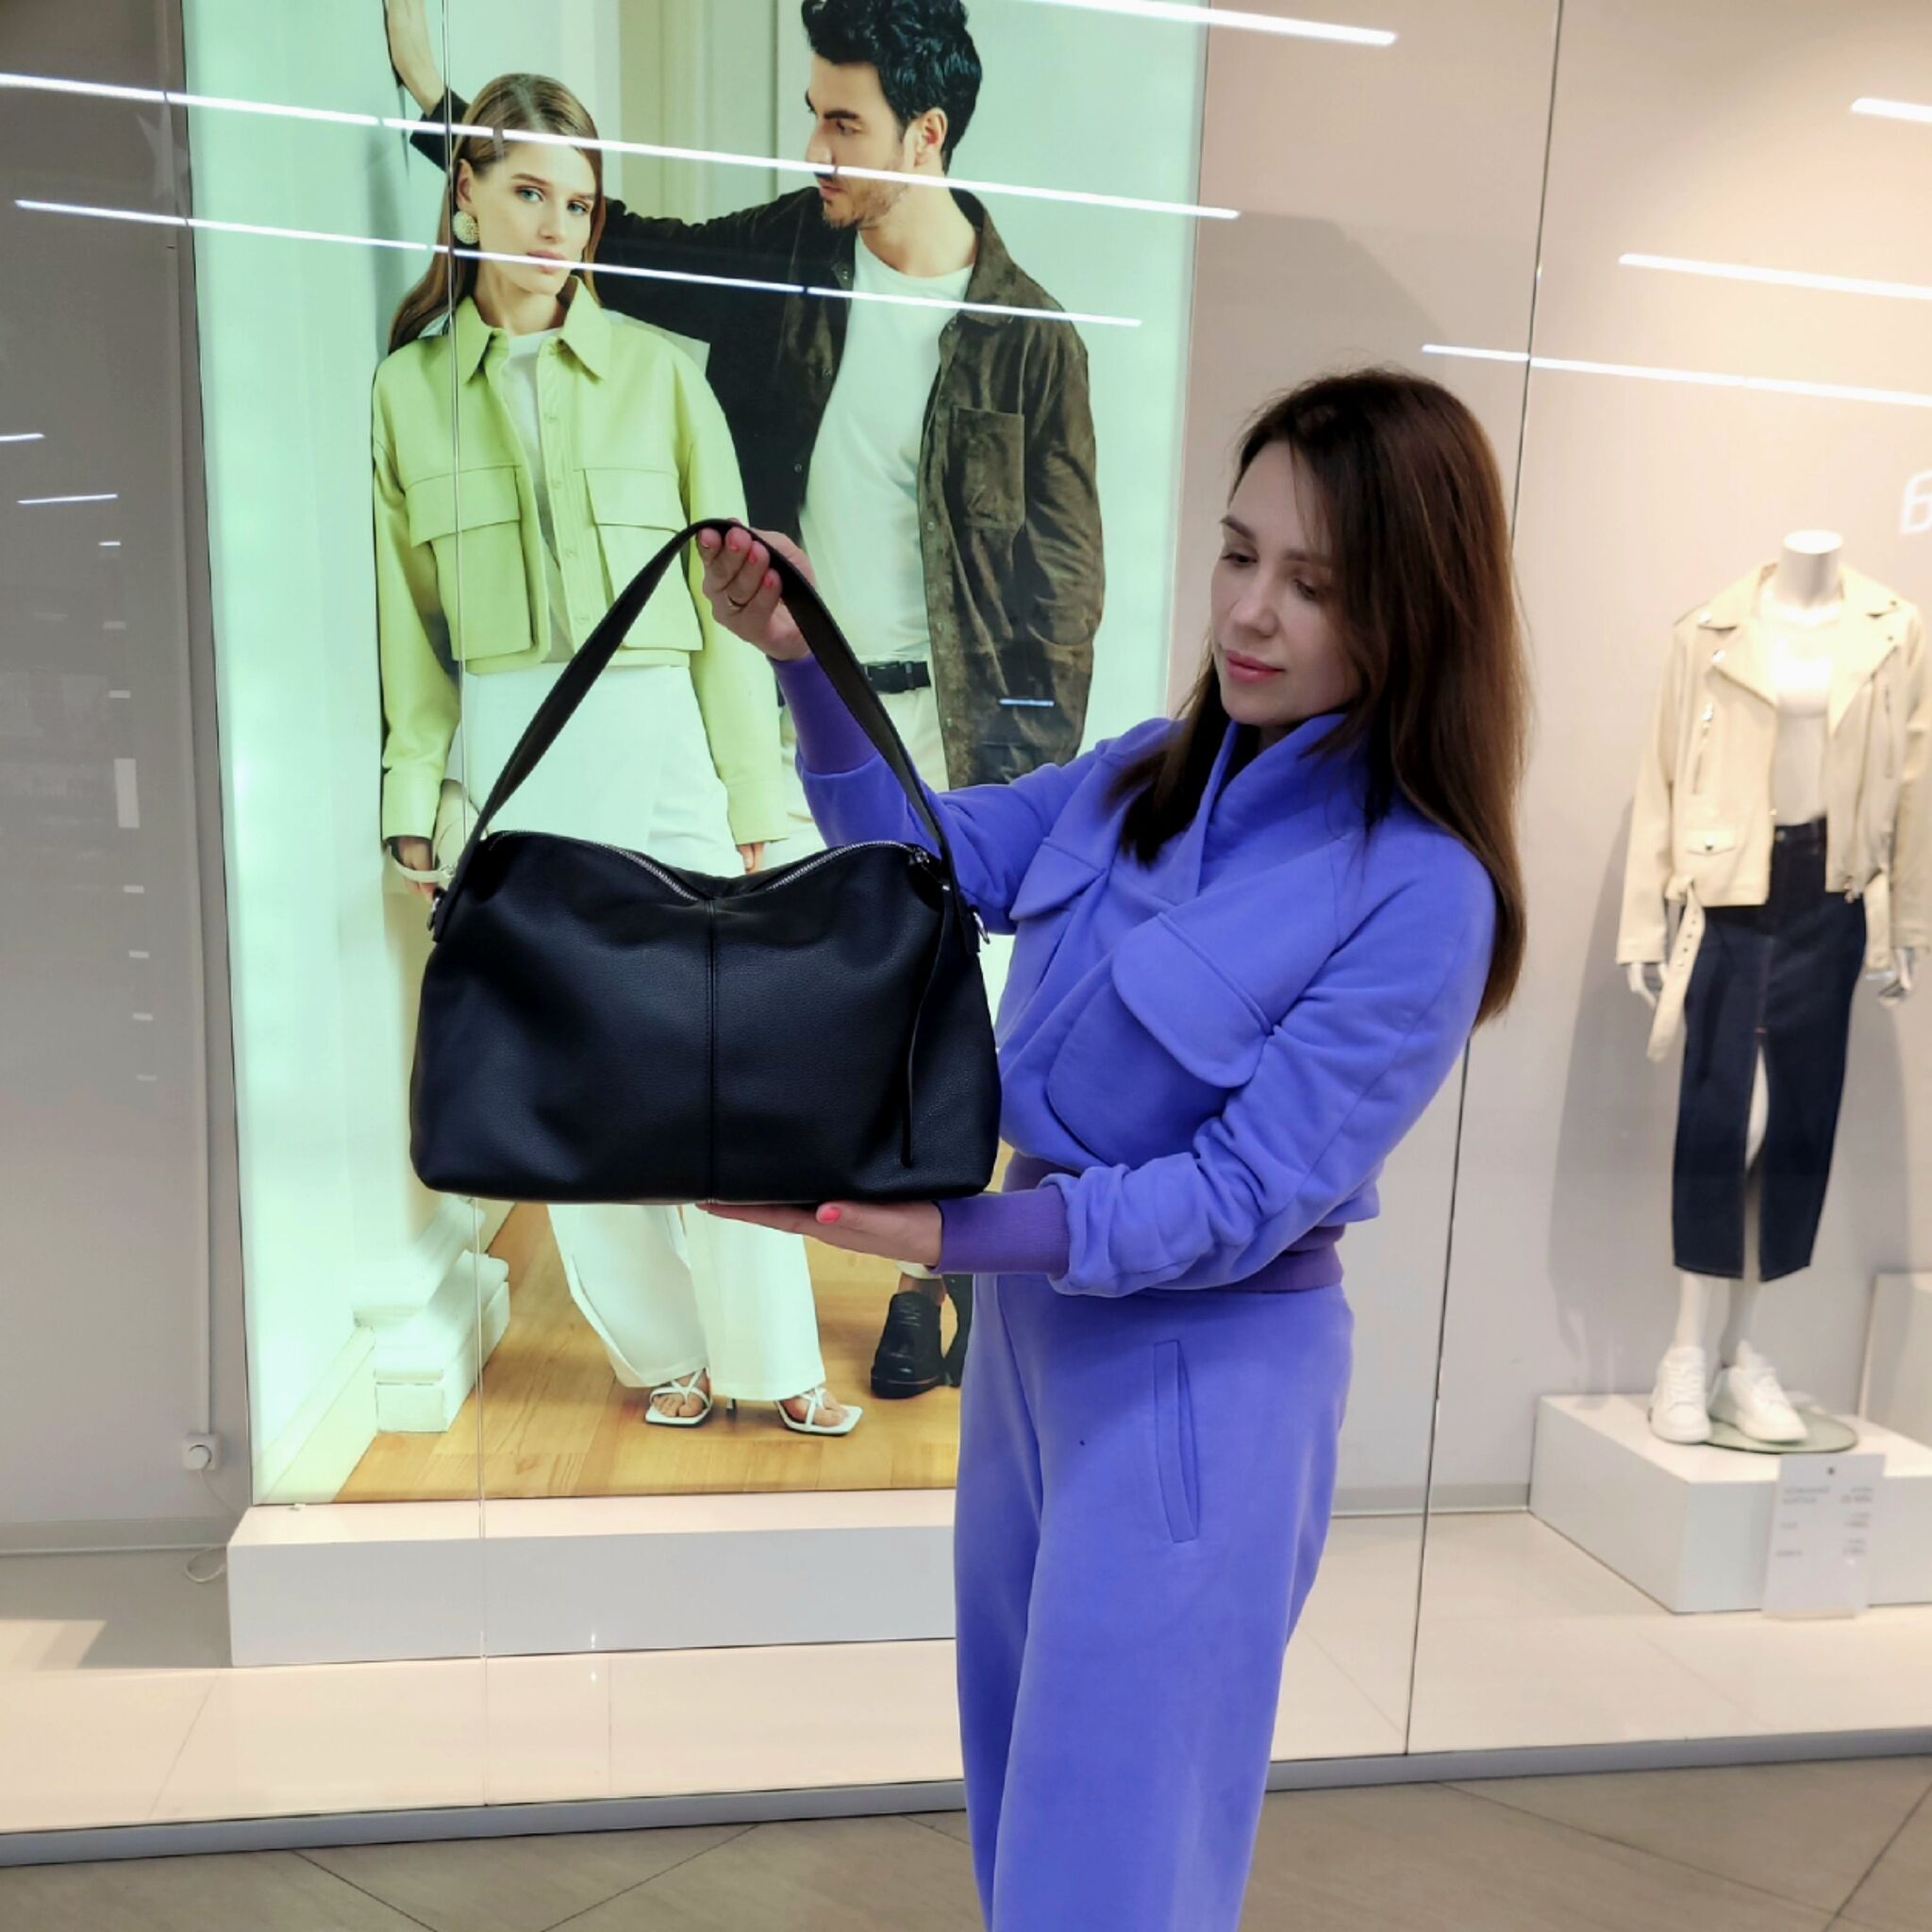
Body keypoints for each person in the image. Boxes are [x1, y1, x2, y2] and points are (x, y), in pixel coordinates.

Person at [694, 368, 1529, 1931]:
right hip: (1036, 1348)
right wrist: (809, 667)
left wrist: (949, 1238)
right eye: (1239, 554)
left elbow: (1238, 1198)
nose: (1252, 611)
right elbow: (922, 863)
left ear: (1418, 606)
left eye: (1315, 583)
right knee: (1023, 1807)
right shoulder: (1147, 771)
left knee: (1114, 1862)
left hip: (1203, 1380)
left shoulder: (1422, 891)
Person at [387, 0, 1105, 1399]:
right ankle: (758, 1324)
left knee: (925, 1022)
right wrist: (444, 116)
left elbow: (1059, 597)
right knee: (772, 1023)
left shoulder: (1030, 338)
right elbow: (616, 240)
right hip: (791, 703)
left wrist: (1030, 811)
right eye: (812, 114)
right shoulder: (791, 254)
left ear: (926, 135)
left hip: (946, 732)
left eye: (843, 122)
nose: (815, 147)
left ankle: (928, 1283)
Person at [374, 74, 861, 1438]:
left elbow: (729, 621)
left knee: (723, 1062)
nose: (555, 227)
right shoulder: (406, 396)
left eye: (578, 203)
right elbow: (410, 628)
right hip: (516, 758)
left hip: (663, 748)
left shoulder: (666, 376)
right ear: (466, 196)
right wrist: (421, 797)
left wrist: (755, 797)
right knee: (574, 1074)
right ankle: (663, 1353)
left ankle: (778, 1359)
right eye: (528, 191)